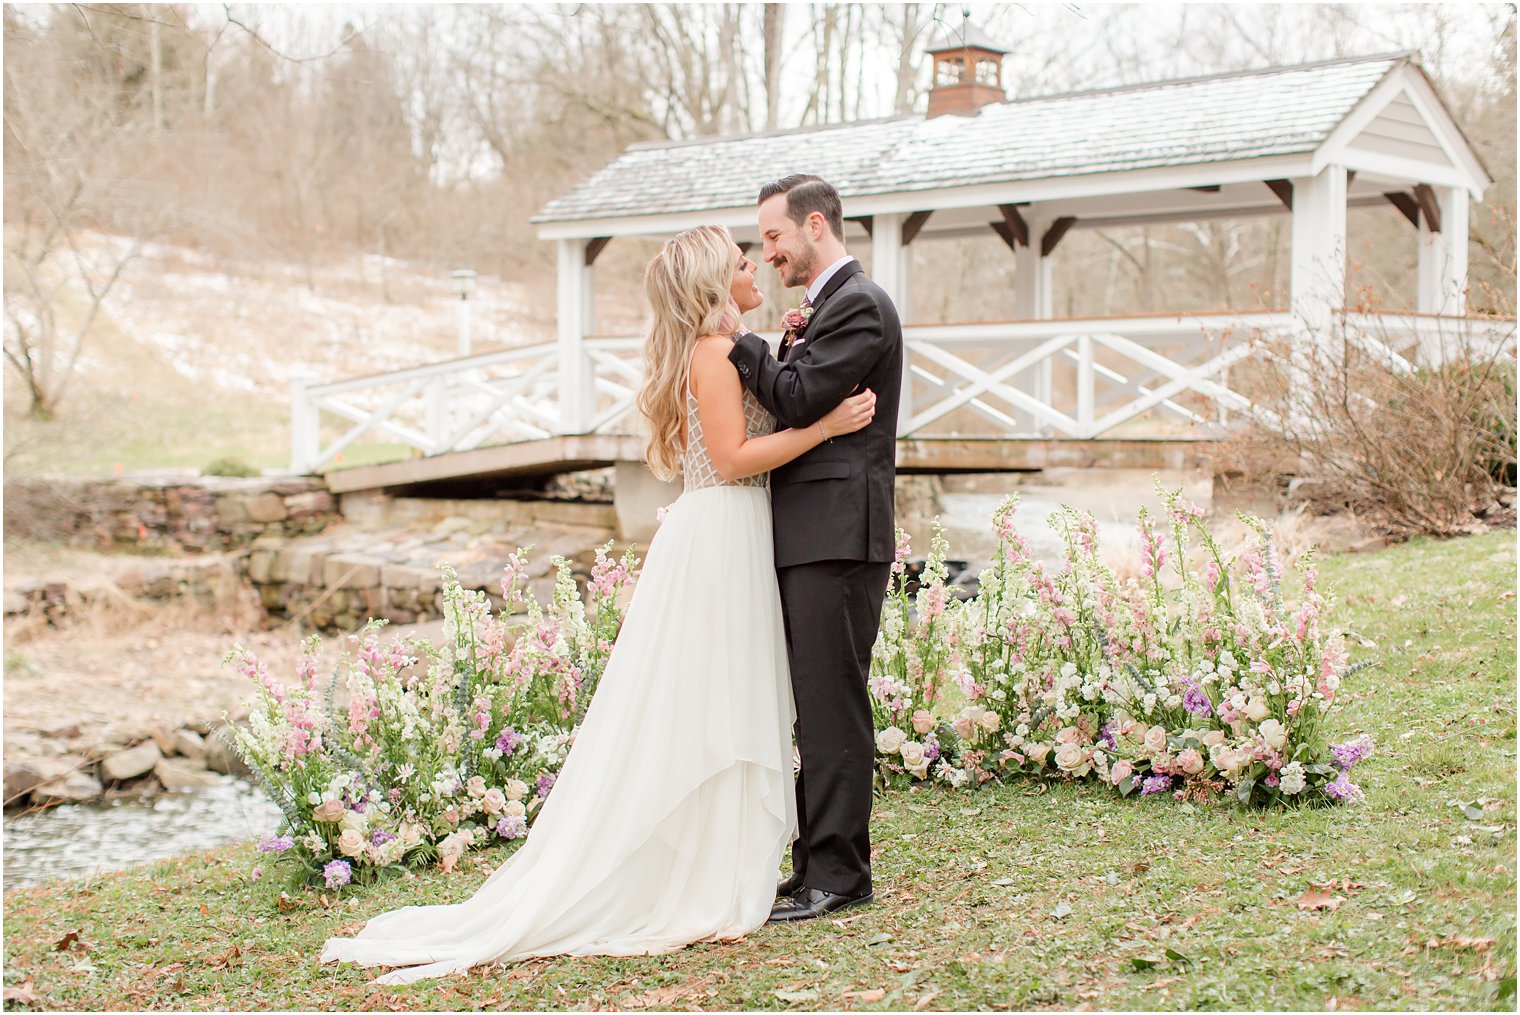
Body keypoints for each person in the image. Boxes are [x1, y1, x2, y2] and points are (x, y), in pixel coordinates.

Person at [319, 224, 876, 983]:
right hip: (722, 534)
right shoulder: (712, 355)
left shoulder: (727, 348)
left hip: (738, 532)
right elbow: (739, 455)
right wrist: (824, 428)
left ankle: (723, 858)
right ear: (715, 283)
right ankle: (702, 873)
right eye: (742, 264)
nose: (755, 271)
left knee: (728, 697)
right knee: (711, 702)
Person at [727, 174, 903, 922]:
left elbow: (797, 398)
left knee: (833, 707)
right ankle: (812, 869)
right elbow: (799, 386)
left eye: (774, 236)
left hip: (838, 533)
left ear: (816, 226)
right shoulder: (827, 308)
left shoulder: (859, 305)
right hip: (813, 531)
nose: (767, 253)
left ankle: (840, 874)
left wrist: (738, 343)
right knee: (816, 704)